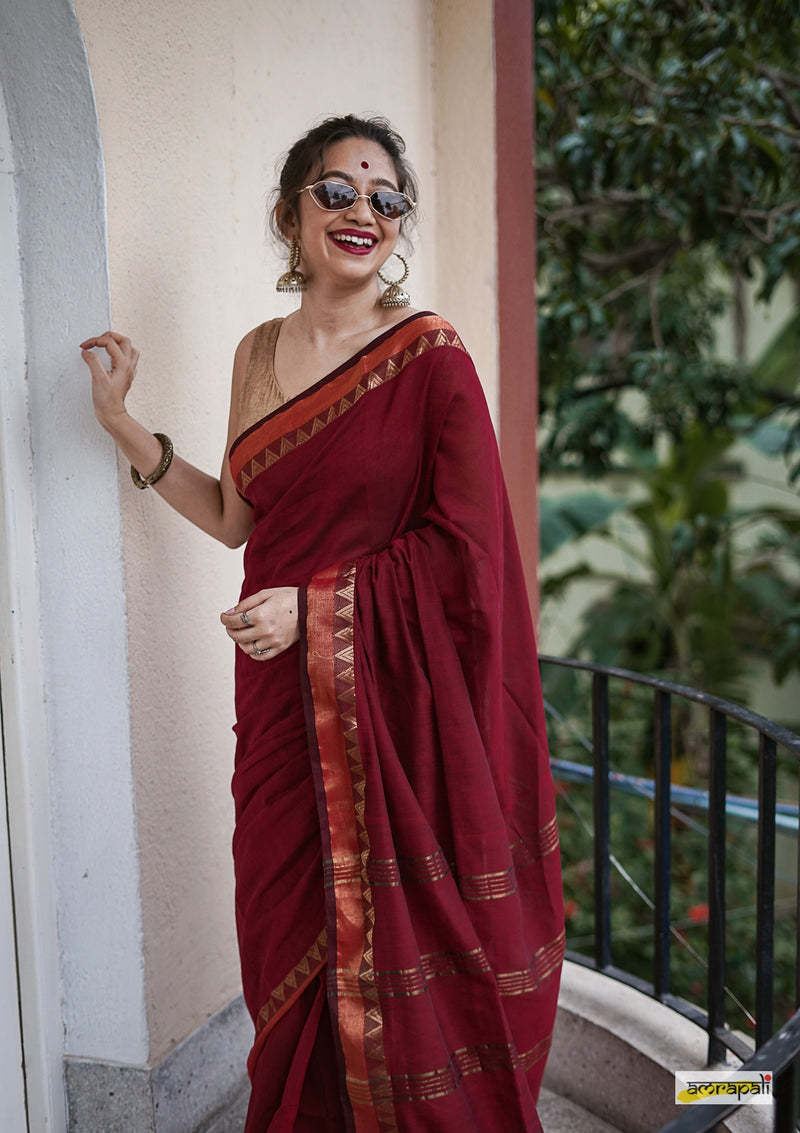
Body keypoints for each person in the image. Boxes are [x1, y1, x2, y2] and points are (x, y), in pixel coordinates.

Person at [80, 114, 564, 1133]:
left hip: (388, 710)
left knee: (404, 958)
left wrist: (315, 609)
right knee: (287, 935)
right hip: (279, 711)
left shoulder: (429, 357)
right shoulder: (258, 353)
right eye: (336, 191)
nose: (362, 212)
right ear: (288, 214)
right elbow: (238, 519)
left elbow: (467, 550)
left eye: (385, 197)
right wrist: (124, 421)